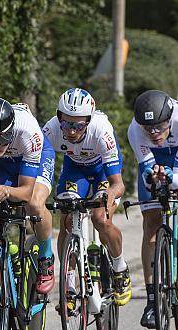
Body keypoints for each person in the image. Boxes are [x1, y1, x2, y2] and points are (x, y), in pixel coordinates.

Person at [43, 87, 132, 307]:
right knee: (66, 219)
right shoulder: (51, 130)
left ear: (88, 121)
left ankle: (120, 267)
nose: (71, 131)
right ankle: (69, 284)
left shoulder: (101, 132)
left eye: (78, 125)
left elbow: (118, 184)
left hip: (103, 170)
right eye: (67, 123)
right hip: (75, 169)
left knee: (100, 218)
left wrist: (109, 195)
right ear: (58, 117)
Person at [128, 89, 178, 329]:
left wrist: (170, 178)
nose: (154, 133)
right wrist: (153, 179)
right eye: (148, 128)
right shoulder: (135, 130)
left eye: (160, 127)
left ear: (170, 120)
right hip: (156, 157)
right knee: (151, 222)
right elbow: (146, 175)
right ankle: (152, 300)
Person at [0, 97, 56, 295]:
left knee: (34, 203)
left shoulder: (28, 132)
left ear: (12, 131)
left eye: (1, 139)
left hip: (33, 156)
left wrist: (8, 191)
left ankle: (45, 257)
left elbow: (25, 191)